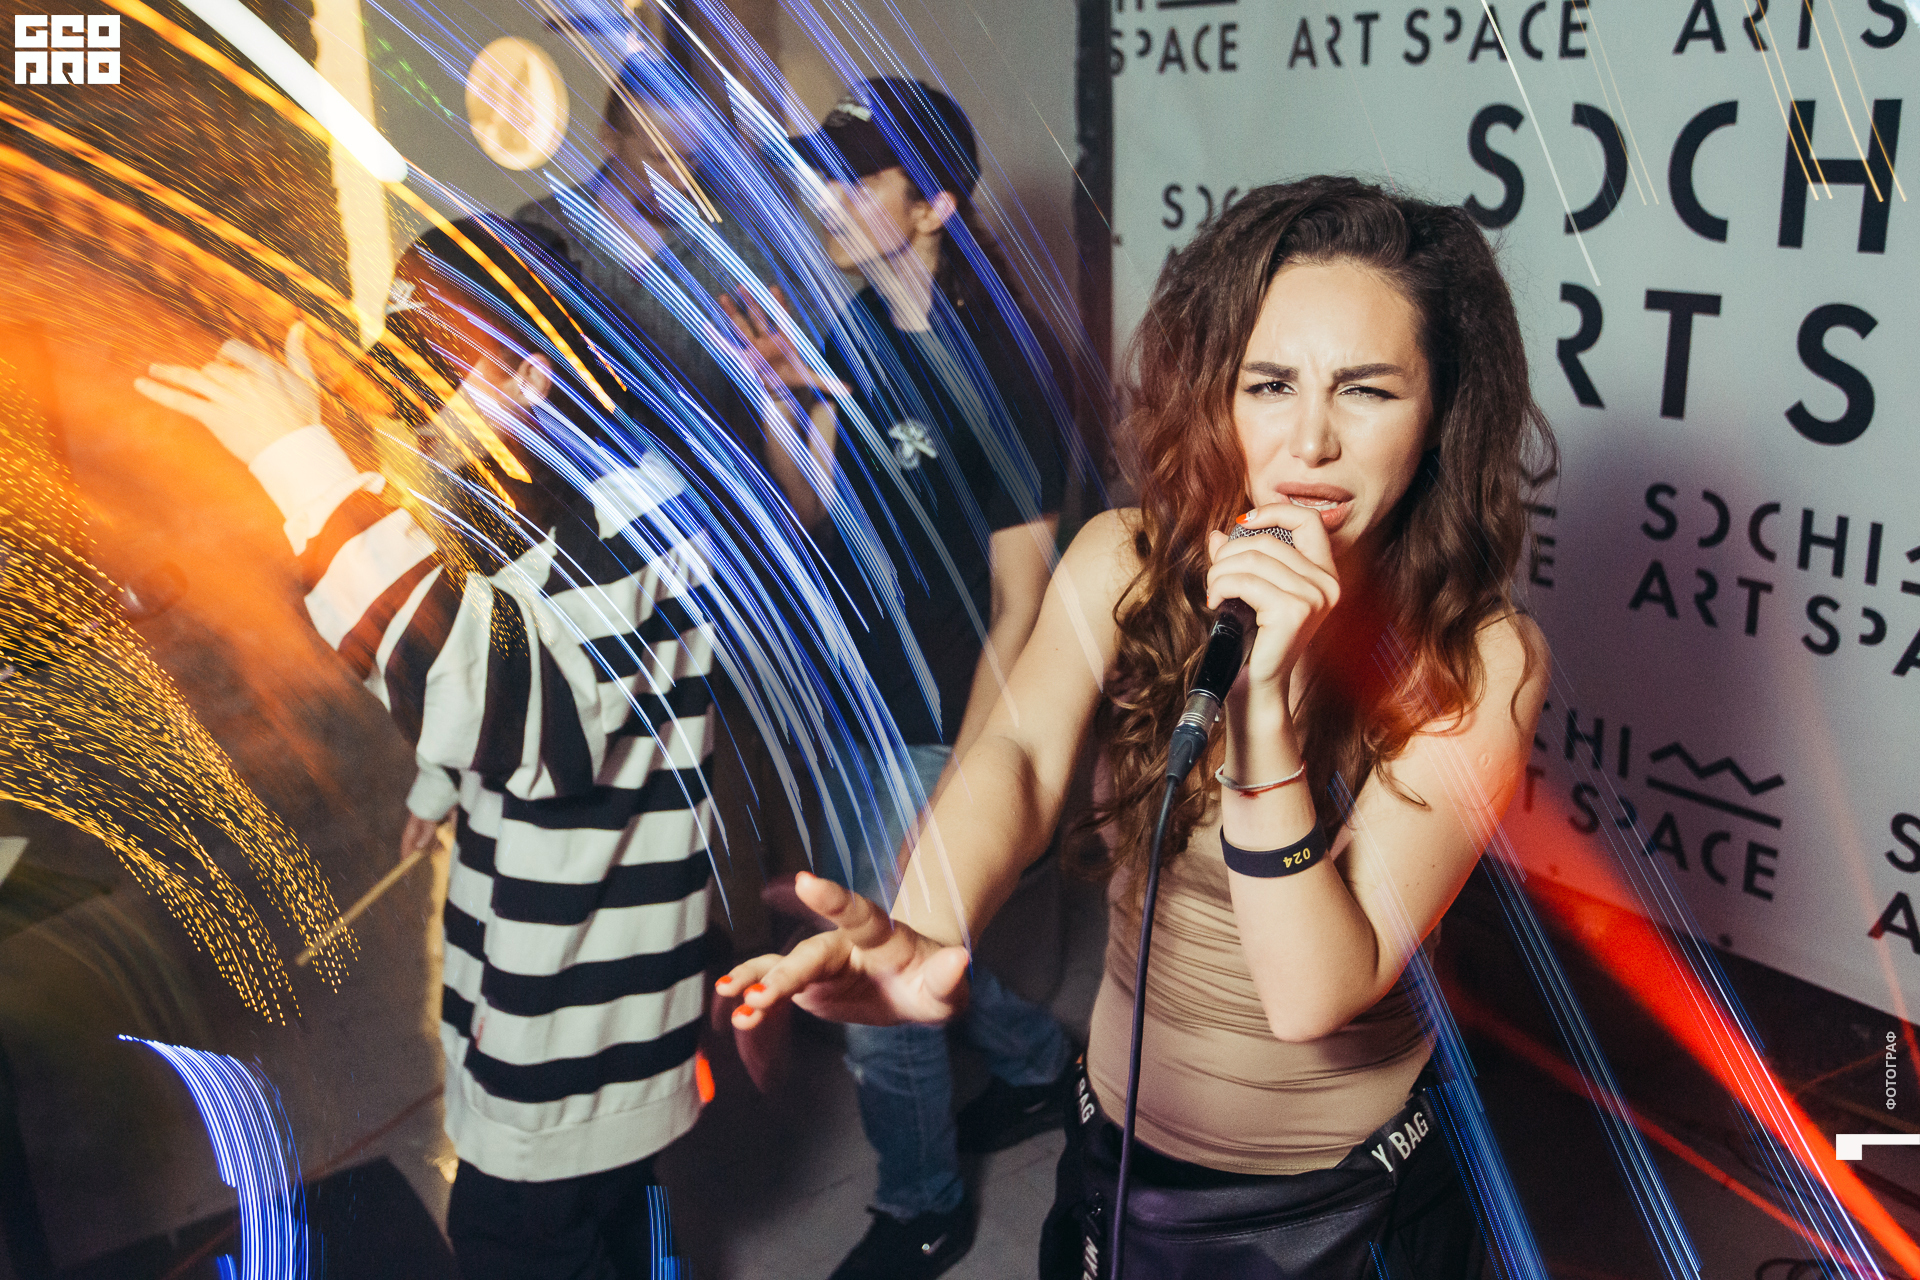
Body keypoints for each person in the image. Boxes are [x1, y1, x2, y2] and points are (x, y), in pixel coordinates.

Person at [721, 176, 1557, 1277]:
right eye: (1269, 383)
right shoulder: (1126, 558)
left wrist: (1261, 704)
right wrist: (927, 922)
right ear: (1216, 392)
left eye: (1366, 390)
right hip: (1117, 1158)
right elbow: (1019, 755)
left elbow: (1314, 988)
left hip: (1335, 1209)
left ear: (1440, 411)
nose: (1310, 440)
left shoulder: (1480, 655)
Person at [135, 217, 715, 1279]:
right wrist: (443, 780)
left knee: (516, 1244)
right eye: (406, 384)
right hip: (578, 982)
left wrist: (298, 464)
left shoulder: (615, 528)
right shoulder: (547, 486)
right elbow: (501, 658)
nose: (418, 418)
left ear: (535, 375)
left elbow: (493, 690)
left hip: (575, 1017)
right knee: (610, 1221)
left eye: (444, 384)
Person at [722, 77, 1076, 1279]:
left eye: (854, 177)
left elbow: (1025, 599)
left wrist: (966, 779)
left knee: (877, 966)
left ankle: (923, 1205)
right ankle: (1041, 1065)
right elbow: (810, 510)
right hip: (856, 698)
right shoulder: (854, 326)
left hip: (943, 715)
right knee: (899, 931)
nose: (824, 197)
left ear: (933, 205)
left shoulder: (1003, 368)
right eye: (820, 173)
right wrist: (788, 410)